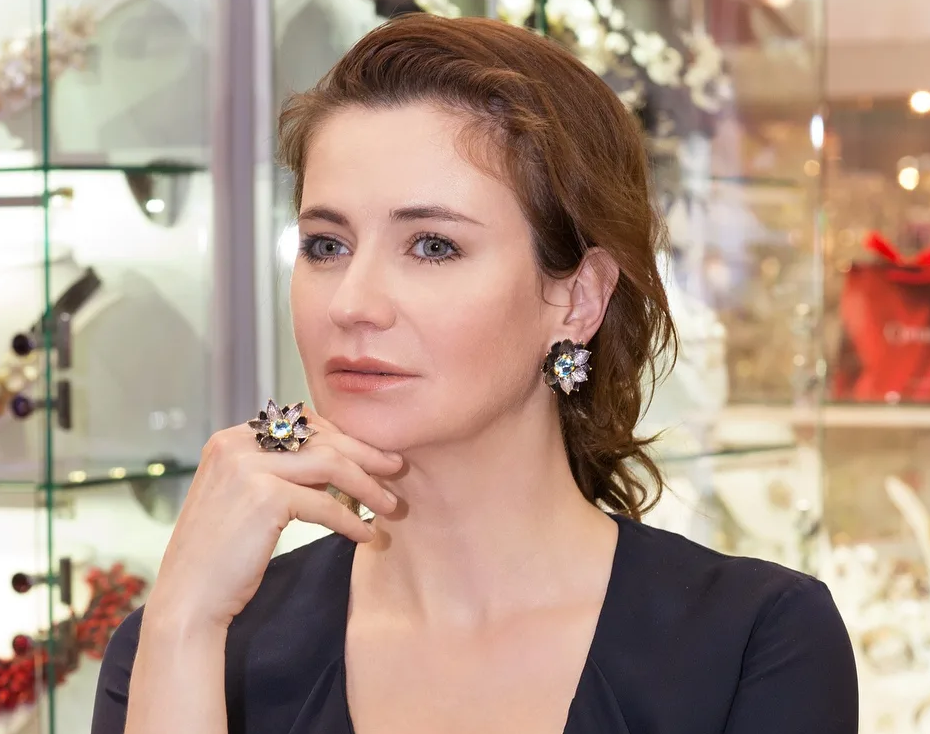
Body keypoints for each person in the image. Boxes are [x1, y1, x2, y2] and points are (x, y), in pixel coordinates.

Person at [91, 13, 859, 734]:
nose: (352, 304)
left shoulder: (752, 643)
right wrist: (182, 624)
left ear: (577, 298)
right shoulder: (191, 638)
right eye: (326, 245)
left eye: (432, 246)